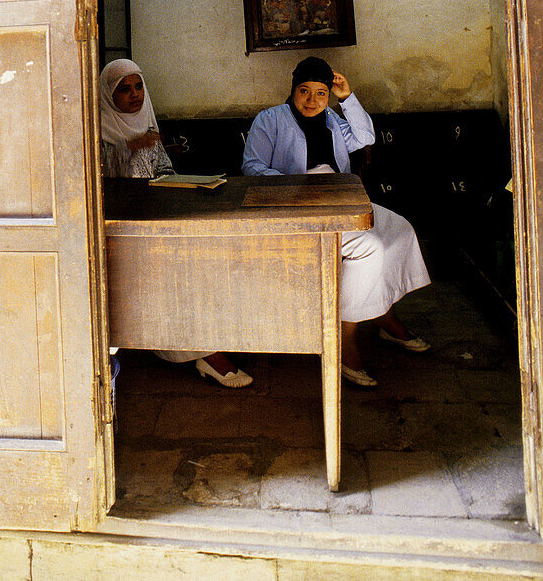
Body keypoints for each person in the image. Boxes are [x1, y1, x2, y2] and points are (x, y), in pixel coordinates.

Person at [242, 55, 430, 387]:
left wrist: (347, 98)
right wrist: (300, 189)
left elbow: (366, 136)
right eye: (304, 91)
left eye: (321, 93)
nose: (311, 101)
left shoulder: (332, 119)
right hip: (297, 210)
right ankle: (345, 337)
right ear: (293, 89)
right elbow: (252, 168)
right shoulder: (269, 120)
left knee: (400, 230)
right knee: (369, 246)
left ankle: (379, 311)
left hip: (340, 201)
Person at [100, 58, 253, 388]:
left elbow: (164, 168)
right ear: (107, 96)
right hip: (121, 234)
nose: (135, 95)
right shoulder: (97, 135)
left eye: (138, 86)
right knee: (171, 273)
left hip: (156, 219)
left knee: (207, 257)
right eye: (124, 89)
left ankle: (209, 342)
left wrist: (180, 182)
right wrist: (128, 148)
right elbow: (103, 186)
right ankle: (201, 352)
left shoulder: (147, 125)